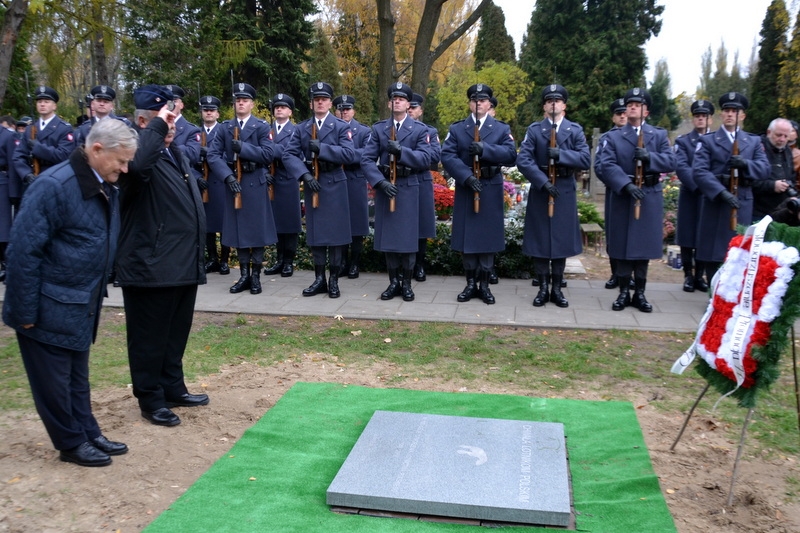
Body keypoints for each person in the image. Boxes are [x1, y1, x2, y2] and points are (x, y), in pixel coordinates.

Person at [2, 119, 137, 466]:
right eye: (120, 161)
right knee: (53, 382)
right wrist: (24, 314)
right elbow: (22, 252)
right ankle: (70, 442)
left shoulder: (101, 181)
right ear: (96, 150)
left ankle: (87, 430)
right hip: (47, 305)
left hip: (78, 302)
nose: (125, 169)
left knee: (76, 377)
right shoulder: (54, 186)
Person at [116, 84, 208, 427]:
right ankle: (150, 398)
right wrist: (153, 130)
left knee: (174, 332)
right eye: (160, 122)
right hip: (150, 264)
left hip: (180, 261)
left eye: (171, 122)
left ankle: (172, 387)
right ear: (142, 122)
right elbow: (138, 169)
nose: (170, 127)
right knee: (149, 336)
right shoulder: (132, 152)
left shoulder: (172, 152)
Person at [597, 87, 676, 312]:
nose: (632, 107)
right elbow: (606, 165)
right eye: (630, 104)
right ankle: (623, 292)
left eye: (638, 104)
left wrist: (650, 157)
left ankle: (639, 293)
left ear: (646, 111)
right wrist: (626, 184)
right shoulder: (614, 136)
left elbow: (671, 161)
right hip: (624, 195)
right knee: (622, 247)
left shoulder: (658, 135)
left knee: (643, 248)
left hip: (649, 194)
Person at [441, 83, 517, 304]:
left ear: (489, 104)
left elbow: (511, 155)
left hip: (490, 186)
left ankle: (484, 285)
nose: (478, 104)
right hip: (468, 186)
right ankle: (470, 284)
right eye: (474, 100)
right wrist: (466, 176)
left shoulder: (501, 129)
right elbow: (448, 156)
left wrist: (486, 149)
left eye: (483, 100)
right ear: (469, 103)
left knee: (487, 239)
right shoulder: (457, 129)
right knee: (468, 240)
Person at [517, 84, 590, 308]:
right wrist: (542, 182)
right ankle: (542, 288)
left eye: (558, 100)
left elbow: (585, 159)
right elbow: (524, 160)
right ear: (544, 106)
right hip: (542, 189)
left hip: (564, 188)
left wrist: (562, 155)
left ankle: (557, 289)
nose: (553, 104)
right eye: (549, 100)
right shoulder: (535, 130)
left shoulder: (574, 130)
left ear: (564, 105)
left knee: (560, 240)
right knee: (540, 240)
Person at [283, 81, 357, 298]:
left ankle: (333, 280)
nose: (320, 102)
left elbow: (349, 154)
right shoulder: (301, 128)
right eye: (317, 99)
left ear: (329, 102)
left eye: (324, 99)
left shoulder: (342, 126)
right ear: (311, 104)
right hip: (312, 182)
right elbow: (288, 154)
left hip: (334, 181)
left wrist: (323, 149)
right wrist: (304, 175)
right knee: (316, 235)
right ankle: (318, 279)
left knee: (335, 235)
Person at [361, 83, 433, 301]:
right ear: (389, 103)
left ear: (408, 104)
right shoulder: (379, 129)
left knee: (408, 241)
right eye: (393, 98)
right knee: (390, 240)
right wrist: (378, 182)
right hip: (386, 186)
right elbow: (366, 159)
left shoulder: (421, 130)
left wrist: (402, 151)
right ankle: (393, 282)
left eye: (401, 99)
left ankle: (407, 284)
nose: (397, 102)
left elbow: (427, 158)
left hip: (409, 186)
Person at [207, 83, 277, 295]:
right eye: (237, 100)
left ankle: (255, 277)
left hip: (255, 181)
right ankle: (244, 275)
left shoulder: (262, 126)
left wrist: (244, 148)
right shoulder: (224, 128)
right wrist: (227, 177)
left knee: (256, 232)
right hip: (234, 182)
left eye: (245, 100)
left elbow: (268, 154)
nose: (240, 103)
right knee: (238, 232)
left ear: (252, 104)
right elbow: (213, 155)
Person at [693, 92, 770, 279]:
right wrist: (720, 192)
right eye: (727, 110)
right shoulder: (708, 140)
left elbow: (765, 169)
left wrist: (746, 164)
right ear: (721, 114)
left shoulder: (753, 141)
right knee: (714, 251)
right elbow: (699, 171)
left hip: (742, 198)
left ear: (742, 116)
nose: (730, 114)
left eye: (735, 111)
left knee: (738, 249)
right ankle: (714, 296)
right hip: (717, 201)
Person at [673, 99, 714, 293]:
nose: (700, 119)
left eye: (704, 116)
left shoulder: (716, 141)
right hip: (691, 193)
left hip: (710, 196)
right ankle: (688, 275)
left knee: (705, 235)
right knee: (687, 236)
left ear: (710, 120)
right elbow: (681, 165)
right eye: (697, 116)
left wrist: (710, 187)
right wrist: (698, 185)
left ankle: (700, 276)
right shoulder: (683, 141)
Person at [593, 97, 629, 291]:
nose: (623, 116)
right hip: (616, 191)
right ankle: (616, 273)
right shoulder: (608, 138)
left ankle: (630, 275)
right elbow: (599, 166)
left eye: (625, 112)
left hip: (637, 190)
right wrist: (617, 181)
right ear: (614, 117)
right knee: (615, 233)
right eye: (619, 113)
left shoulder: (638, 136)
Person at [334, 94, 372, 279]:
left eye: (347, 109)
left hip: (355, 180)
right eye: (340, 110)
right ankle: (341, 263)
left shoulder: (363, 131)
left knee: (357, 226)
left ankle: (355, 264)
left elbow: (366, 153)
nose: (344, 113)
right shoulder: (331, 129)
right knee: (340, 224)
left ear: (353, 111)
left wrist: (343, 155)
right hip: (336, 180)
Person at [265, 93, 302, 278]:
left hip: (288, 178)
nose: (279, 109)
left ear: (290, 111)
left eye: (283, 107)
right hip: (271, 179)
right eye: (276, 107)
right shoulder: (267, 130)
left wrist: (270, 150)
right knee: (276, 223)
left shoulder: (296, 131)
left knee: (290, 223)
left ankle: (288, 261)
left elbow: (292, 153)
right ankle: (279, 260)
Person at [12, 86, 75, 191]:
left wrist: (38, 148)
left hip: (56, 180)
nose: (42, 104)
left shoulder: (64, 128)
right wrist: (26, 174)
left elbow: (64, 156)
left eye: (46, 101)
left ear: (54, 106)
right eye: (39, 101)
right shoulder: (29, 129)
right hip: (33, 181)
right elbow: (18, 156)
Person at [407, 92, 441, 283]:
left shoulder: (429, 131)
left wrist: (407, 154)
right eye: (408, 107)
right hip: (402, 180)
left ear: (420, 111)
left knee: (421, 225)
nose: (410, 111)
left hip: (420, 179)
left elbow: (435, 156)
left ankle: (419, 265)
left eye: (414, 108)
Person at [196, 95, 231, 276]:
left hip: (220, 182)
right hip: (202, 183)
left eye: (212, 110)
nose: (208, 113)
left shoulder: (224, 130)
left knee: (224, 223)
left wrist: (210, 154)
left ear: (218, 113)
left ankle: (224, 260)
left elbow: (229, 155)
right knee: (207, 225)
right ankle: (212, 260)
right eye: (205, 110)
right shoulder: (195, 132)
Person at [753, 118, 797, 222]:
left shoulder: (787, 150)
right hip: (758, 211)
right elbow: (747, 182)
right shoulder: (756, 149)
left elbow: (791, 177)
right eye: (779, 135)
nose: (782, 139)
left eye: (786, 136)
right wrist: (772, 186)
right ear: (769, 132)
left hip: (780, 211)